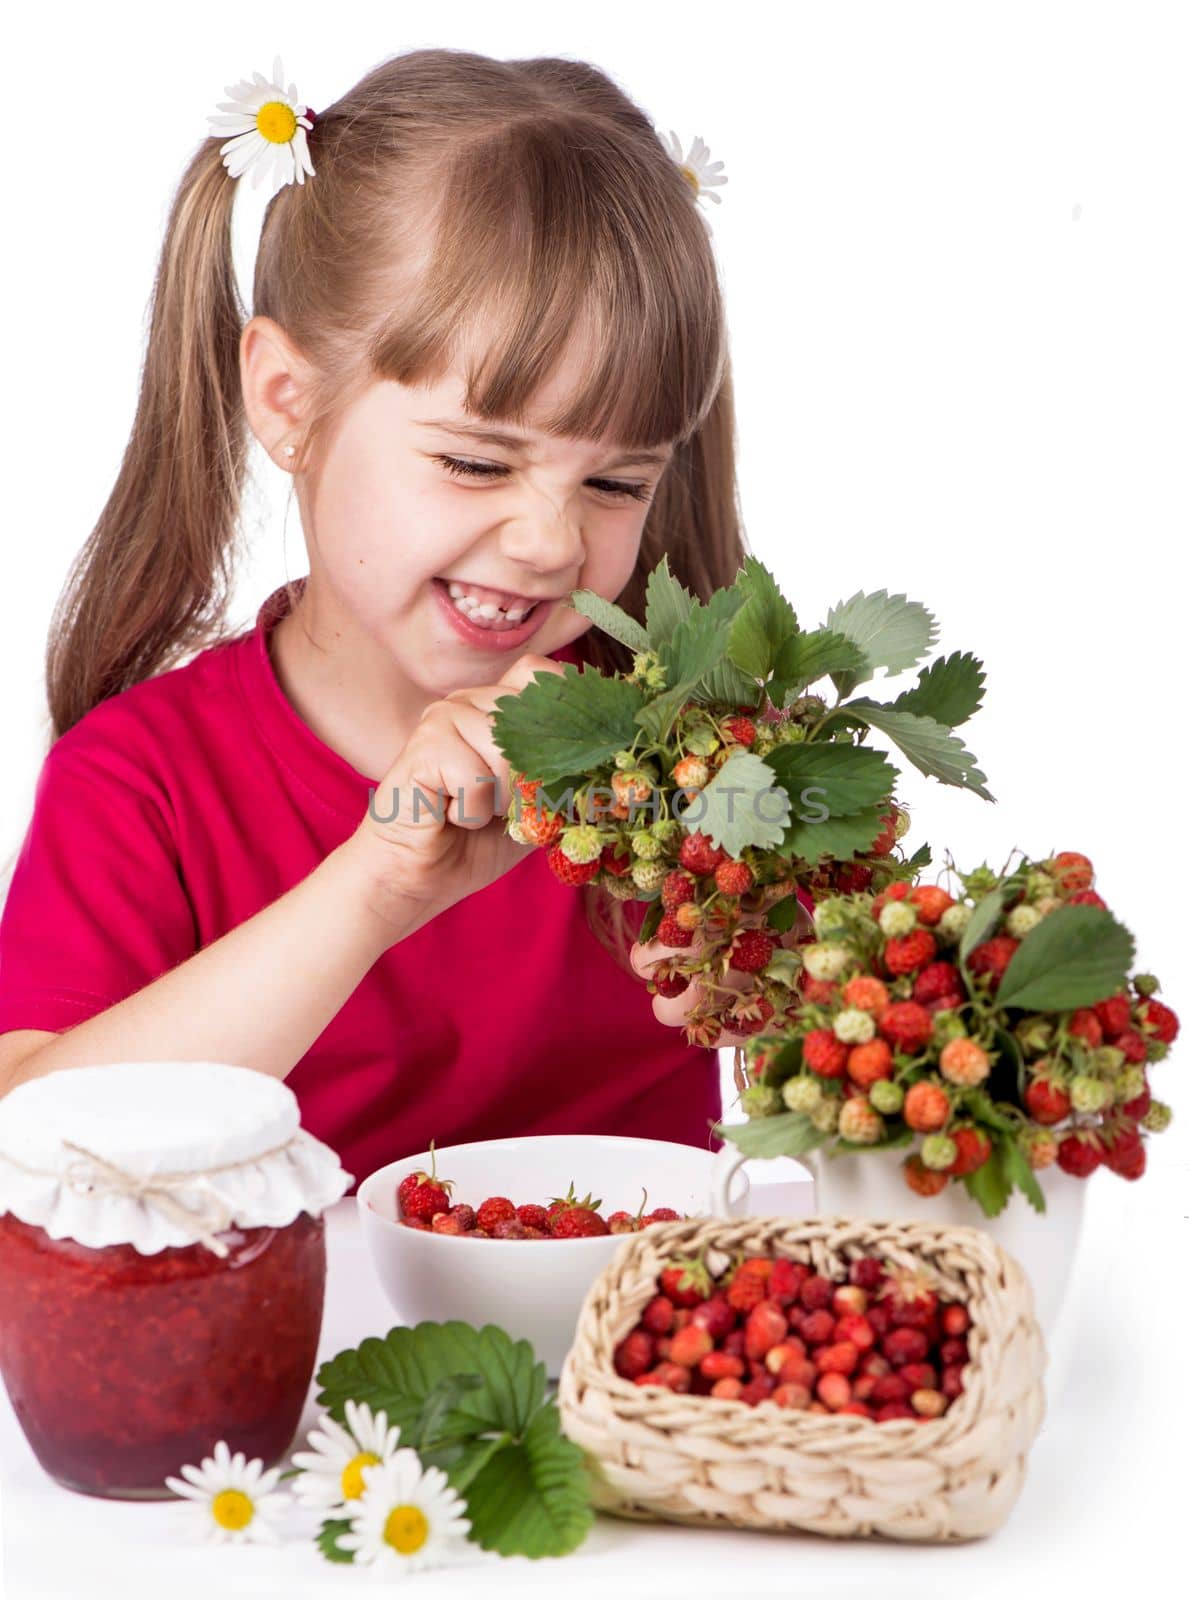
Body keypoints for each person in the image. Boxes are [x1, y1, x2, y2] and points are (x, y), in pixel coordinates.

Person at [0, 47, 772, 1185]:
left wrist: (781, 980)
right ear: (287, 401)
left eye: (616, 483)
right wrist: (373, 888)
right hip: (293, 1360)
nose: (555, 542)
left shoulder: (687, 760)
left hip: (635, 1351)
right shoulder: (144, 778)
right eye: (475, 461)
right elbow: (35, 1143)